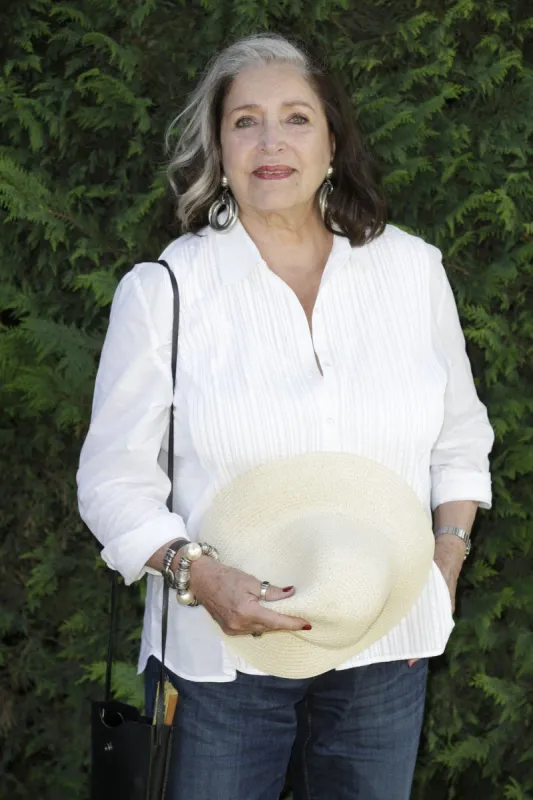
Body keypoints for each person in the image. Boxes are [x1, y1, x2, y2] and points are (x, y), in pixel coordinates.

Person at [77, 32, 494, 800]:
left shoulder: (410, 270)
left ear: (333, 140)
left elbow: (459, 438)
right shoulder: (166, 290)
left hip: (384, 646)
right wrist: (196, 576)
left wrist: (440, 571)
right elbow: (112, 481)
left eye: (296, 118)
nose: (271, 141)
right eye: (245, 121)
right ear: (218, 148)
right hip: (217, 664)